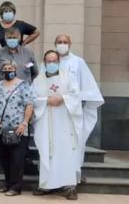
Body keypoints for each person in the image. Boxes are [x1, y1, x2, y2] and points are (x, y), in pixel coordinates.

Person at [32, 50, 82, 200]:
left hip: (66, 124)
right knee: (48, 151)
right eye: (49, 61)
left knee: (67, 152)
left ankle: (69, 187)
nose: (51, 64)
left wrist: (63, 98)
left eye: (54, 61)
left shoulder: (69, 77)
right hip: (46, 123)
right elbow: (32, 99)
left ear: (59, 62)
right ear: (44, 62)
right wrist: (46, 100)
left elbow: (76, 95)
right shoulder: (37, 81)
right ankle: (47, 185)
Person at [55, 34, 104, 183]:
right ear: (55, 44)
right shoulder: (50, 61)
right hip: (55, 112)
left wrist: (75, 100)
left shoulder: (78, 62)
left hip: (73, 112)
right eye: (59, 42)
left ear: (70, 44)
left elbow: (88, 87)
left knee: (74, 145)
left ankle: (73, 178)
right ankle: (55, 179)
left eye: (65, 42)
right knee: (56, 146)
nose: (62, 44)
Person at [0, 59, 34, 196]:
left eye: (10, 68)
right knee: (4, 157)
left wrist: (24, 123)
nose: (8, 70)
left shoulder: (23, 85)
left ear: (15, 69)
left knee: (17, 158)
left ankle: (16, 186)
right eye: (5, 68)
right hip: (0, 128)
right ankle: (8, 183)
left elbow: (29, 105)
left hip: (18, 128)